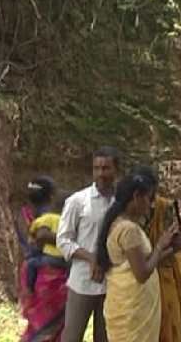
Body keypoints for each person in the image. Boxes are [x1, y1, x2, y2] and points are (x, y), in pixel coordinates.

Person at [97, 166, 181, 342]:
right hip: (132, 310)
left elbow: (143, 261)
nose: (151, 203)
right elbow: (142, 273)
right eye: (149, 197)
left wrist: (172, 249)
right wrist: (160, 245)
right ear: (137, 196)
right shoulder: (129, 230)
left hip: (131, 306)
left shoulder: (122, 224)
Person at [58, 147, 120, 342]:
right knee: (71, 337)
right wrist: (91, 258)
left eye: (106, 168)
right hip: (82, 282)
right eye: (97, 168)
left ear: (116, 170)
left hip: (112, 284)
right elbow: (63, 240)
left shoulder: (121, 203)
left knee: (105, 338)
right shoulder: (77, 201)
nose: (101, 173)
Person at [19, 176, 70, 342]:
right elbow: (42, 237)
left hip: (36, 278)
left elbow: (32, 242)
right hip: (56, 277)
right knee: (53, 325)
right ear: (51, 196)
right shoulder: (59, 218)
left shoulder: (24, 216)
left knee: (39, 323)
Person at [144, 189, 181, 342]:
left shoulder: (165, 208)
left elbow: (177, 243)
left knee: (171, 324)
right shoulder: (128, 219)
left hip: (166, 275)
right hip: (141, 283)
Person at [27, 185, 70, 294]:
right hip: (66, 260)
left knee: (31, 263)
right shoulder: (69, 220)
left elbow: (36, 230)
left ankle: (30, 288)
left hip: (50, 258)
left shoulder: (47, 217)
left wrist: (32, 235)